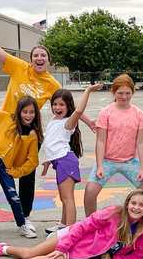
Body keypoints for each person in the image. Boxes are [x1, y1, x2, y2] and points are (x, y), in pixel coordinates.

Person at [0, 9, 94, 234]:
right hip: (4, 126)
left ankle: (25, 217)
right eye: (36, 55)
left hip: (29, 131)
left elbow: (68, 106)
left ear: (48, 60)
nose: (39, 58)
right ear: (31, 59)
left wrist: (88, 122)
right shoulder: (19, 67)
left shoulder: (51, 83)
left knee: (27, 173)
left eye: (43, 56)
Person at [0, 190, 143, 259]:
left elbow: (138, 256)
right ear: (127, 204)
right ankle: (1, 249)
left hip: (85, 256)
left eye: (141, 205)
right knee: (30, 254)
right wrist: (63, 247)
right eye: (133, 203)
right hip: (71, 238)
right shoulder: (113, 213)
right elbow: (83, 227)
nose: (136, 207)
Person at [0, 78, 43, 242]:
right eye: (25, 112)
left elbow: (32, 161)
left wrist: (17, 172)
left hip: (5, 165)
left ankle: (22, 225)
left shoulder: (32, 134)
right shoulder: (6, 117)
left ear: (36, 114)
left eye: (31, 112)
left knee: (13, 196)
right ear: (18, 111)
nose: (28, 115)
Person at [83, 74, 143, 216]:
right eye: (120, 93)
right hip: (107, 160)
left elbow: (141, 142)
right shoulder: (106, 112)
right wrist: (100, 165)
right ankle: (90, 224)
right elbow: (100, 141)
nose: (124, 96)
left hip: (130, 160)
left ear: (133, 92)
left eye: (128, 93)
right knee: (90, 192)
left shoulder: (138, 114)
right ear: (113, 92)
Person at [41, 84, 104, 233]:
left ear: (69, 106)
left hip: (66, 162)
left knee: (67, 198)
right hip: (59, 162)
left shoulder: (68, 122)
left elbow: (79, 111)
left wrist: (87, 90)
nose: (57, 107)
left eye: (62, 104)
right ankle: (63, 224)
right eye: (55, 104)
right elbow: (53, 143)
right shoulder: (54, 120)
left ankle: (70, 232)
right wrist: (48, 161)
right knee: (64, 198)